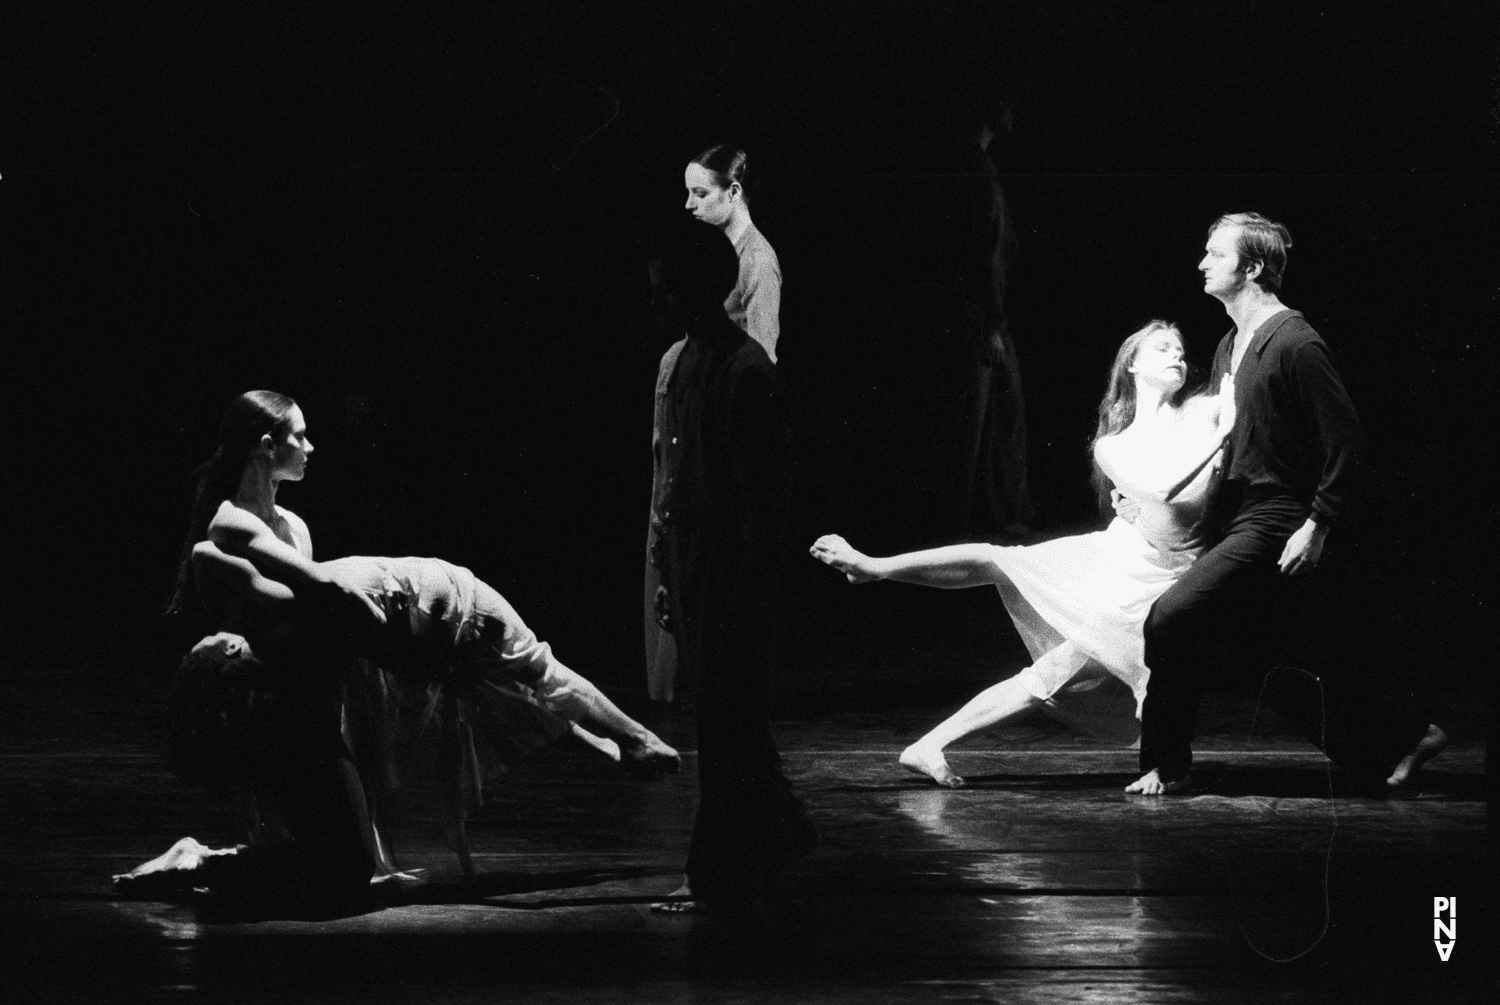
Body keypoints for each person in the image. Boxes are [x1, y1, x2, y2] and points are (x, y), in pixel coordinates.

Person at [118, 391, 677, 904]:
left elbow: (309, 617)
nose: (311, 447)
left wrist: (365, 634)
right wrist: (366, 618)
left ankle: (629, 742)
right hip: (426, 608)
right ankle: (634, 740)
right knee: (527, 676)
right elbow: (319, 598)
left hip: (405, 621)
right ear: (267, 446)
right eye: (300, 436)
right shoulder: (225, 537)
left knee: (505, 690)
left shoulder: (290, 525)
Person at [812, 321, 1232, 786]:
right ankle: (876, 567)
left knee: (1057, 673)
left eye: (1180, 349)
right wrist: (1219, 439)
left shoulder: (1204, 410)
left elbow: (1241, 398)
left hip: (1173, 575)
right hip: (1123, 561)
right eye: (1162, 348)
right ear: (1132, 364)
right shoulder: (1114, 446)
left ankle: (926, 745)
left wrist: (1224, 424)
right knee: (1002, 559)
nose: (1177, 355)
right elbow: (1159, 491)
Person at [1126, 213, 1446, 795]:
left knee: (1169, 619)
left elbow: (1346, 440)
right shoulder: (1230, 342)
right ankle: (1405, 737)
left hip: (1278, 517)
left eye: (1213, 254)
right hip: (1239, 515)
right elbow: (1225, 444)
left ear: (1249, 267)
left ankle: (1163, 763)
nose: (1202, 263)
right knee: (1263, 656)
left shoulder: (1295, 342)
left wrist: (1318, 522)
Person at [646, 226, 815, 914]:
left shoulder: (744, 369)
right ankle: (781, 829)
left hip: (728, 571)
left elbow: (763, 499)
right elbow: (674, 476)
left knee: (725, 722)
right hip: (695, 565)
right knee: (726, 719)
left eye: (666, 283)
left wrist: (742, 587)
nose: (656, 295)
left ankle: (713, 869)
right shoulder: (685, 362)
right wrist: (667, 573)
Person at [646, 145, 784, 706]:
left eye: (701, 193)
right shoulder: (706, 252)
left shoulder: (756, 259)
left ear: (734, 192)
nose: (689, 204)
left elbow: (761, 356)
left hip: (716, 417)